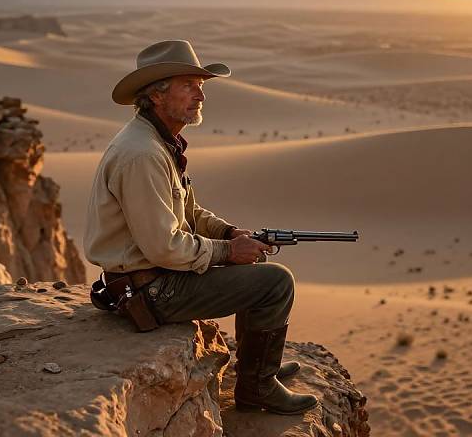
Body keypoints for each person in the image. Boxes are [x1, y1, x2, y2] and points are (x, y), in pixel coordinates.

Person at [84, 39, 318, 415]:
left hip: (159, 275)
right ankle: (257, 388)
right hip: (154, 288)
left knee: (254, 266)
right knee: (276, 283)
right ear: (157, 96)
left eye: (202, 87)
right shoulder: (142, 154)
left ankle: (257, 371)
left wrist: (229, 234)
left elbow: (189, 211)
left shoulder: (161, 141)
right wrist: (227, 252)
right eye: (189, 85)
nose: (200, 96)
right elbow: (164, 247)